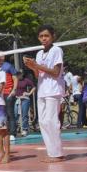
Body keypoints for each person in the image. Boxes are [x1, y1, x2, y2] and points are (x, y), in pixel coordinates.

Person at [24, 25, 65, 162]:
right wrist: (32, 67)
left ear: (53, 36)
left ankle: (57, 153)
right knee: (42, 122)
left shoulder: (56, 50)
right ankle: (51, 152)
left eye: (46, 36)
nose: (43, 39)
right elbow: (38, 75)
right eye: (41, 36)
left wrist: (37, 65)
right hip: (42, 89)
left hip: (53, 90)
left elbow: (55, 72)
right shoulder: (39, 54)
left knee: (51, 121)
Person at [0, 56, 18, 140]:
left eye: (1, 56)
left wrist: (14, 90)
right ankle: (4, 132)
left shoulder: (8, 66)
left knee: (10, 113)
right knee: (1, 114)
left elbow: (15, 78)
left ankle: (12, 133)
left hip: (8, 93)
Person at [14, 71, 36, 136]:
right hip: (17, 99)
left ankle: (24, 129)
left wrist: (29, 93)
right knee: (15, 114)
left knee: (24, 114)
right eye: (17, 75)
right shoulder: (14, 81)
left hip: (25, 99)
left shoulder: (26, 80)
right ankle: (16, 128)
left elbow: (34, 87)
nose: (19, 76)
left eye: (20, 74)